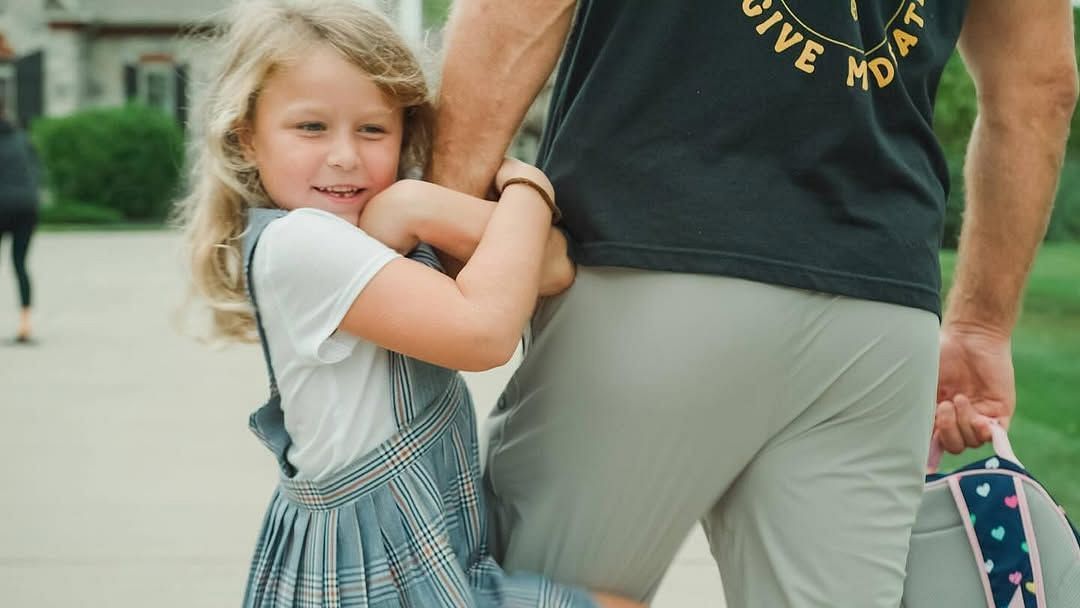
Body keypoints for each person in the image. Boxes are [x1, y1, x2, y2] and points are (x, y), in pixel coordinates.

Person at [430, 1, 1079, 606]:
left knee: (531, 591)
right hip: (877, 317)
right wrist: (982, 326)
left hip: (653, 256)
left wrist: (436, 232)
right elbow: (1040, 90)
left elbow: (516, 13)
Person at [175, 1, 641, 606]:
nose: (344, 155)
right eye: (311, 127)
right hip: (374, 562)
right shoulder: (299, 244)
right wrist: (529, 186)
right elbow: (485, 334)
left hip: (421, 540)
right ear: (248, 137)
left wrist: (413, 207)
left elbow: (551, 267)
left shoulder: (374, 222)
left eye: (372, 129)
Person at [0, 96, 40, 343]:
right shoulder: (23, 138)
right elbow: (35, 171)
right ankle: (25, 325)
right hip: (27, 206)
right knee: (20, 265)